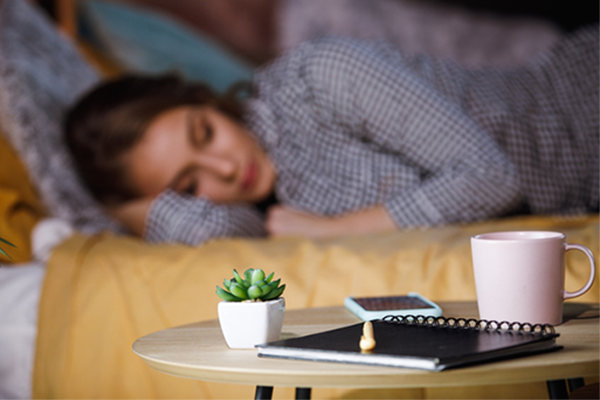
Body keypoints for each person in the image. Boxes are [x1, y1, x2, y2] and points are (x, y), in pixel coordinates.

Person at [65, 26, 600, 245]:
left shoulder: (321, 77)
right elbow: (212, 234)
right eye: (187, 185)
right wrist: (129, 210)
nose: (225, 169)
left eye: (204, 134)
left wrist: (334, 231)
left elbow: (490, 179)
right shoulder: (263, 216)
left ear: (206, 102)